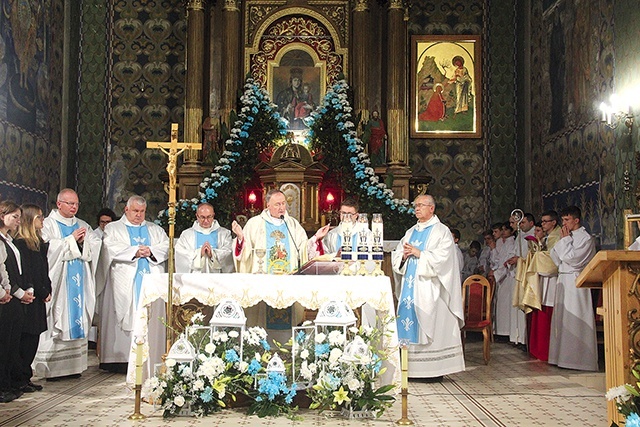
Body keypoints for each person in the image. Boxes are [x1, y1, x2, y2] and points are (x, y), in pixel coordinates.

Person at [391, 194, 465, 380]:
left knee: (431, 325)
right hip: (410, 289)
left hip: (431, 289)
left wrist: (420, 254)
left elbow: (445, 259)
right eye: (415, 205)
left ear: (431, 208)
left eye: (421, 205)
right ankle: (410, 369)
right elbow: (399, 253)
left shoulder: (442, 232)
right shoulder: (410, 232)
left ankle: (433, 371)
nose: (417, 209)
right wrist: (403, 256)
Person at [35, 189, 101, 380]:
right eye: (70, 203)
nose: (74, 207)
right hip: (59, 283)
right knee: (58, 317)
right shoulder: (47, 224)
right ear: (59, 204)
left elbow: (95, 245)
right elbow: (46, 248)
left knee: (77, 316)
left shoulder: (82, 225)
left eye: (76, 204)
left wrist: (82, 243)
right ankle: (51, 369)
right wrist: (71, 240)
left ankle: (73, 367)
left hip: (79, 281)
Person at [99, 195, 169, 370]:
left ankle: (149, 355)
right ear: (126, 210)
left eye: (142, 211)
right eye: (135, 211)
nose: (139, 215)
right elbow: (110, 247)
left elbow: (166, 246)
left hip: (150, 280)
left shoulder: (155, 229)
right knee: (125, 314)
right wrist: (134, 251)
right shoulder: (113, 228)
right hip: (124, 280)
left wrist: (151, 251)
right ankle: (120, 359)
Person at [549, 206, 598, 371]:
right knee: (562, 320)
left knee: (575, 319)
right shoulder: (566, 236)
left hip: (576, 281)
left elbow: (574, 260)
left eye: (567, 220)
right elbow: (556, 256)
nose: (564, 223)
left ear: (576, 220)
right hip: (563, 278)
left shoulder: (586, 238)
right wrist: (563, 242)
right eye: (562, 220)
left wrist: (565, 242)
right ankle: (560, 357)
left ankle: (578, 359)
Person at [14, 204, 51, 392]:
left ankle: (25, 376)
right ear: (30, 220)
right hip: (29, 296)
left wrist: (48, 287)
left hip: (38, 297)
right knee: (25, 339)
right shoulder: (21, 243)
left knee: (34, 338)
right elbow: (28, 272)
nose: (42, 221)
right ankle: (19, 378)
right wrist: (40, 290)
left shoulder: (38, 243)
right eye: (39, 217)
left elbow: (44, 270)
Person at [0, 201, 30, 402]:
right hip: (3, 299)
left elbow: (6, 270)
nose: (18, 221)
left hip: (9, 295)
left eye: (19, 217)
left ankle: (8, 382)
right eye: (14, 217)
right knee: (3, 345)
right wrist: (3, 291)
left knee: (11, 344)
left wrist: (9, 288)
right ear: (3, 216)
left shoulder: (9, 240)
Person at [526, 212, 561, 361]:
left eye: (546, 222)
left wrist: (538, 254)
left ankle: (547, 350)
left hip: (553, 279)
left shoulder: (558, 237)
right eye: (543, 221)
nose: (544, 224)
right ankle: (539, 349)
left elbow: (552, 260)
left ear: (553, 223)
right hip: (545, 279)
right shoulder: (549, 237)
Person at [175, 203, 234, 273]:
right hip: (194, 277)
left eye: (209, 217)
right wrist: (199, 253)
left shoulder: (224, 233)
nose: (206, 221)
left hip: (217, 277)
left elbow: (228, 252)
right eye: (202, 217)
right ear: (197, 216)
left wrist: (212, 254)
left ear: (213, 215)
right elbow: (180, 253)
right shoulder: (187, 234)